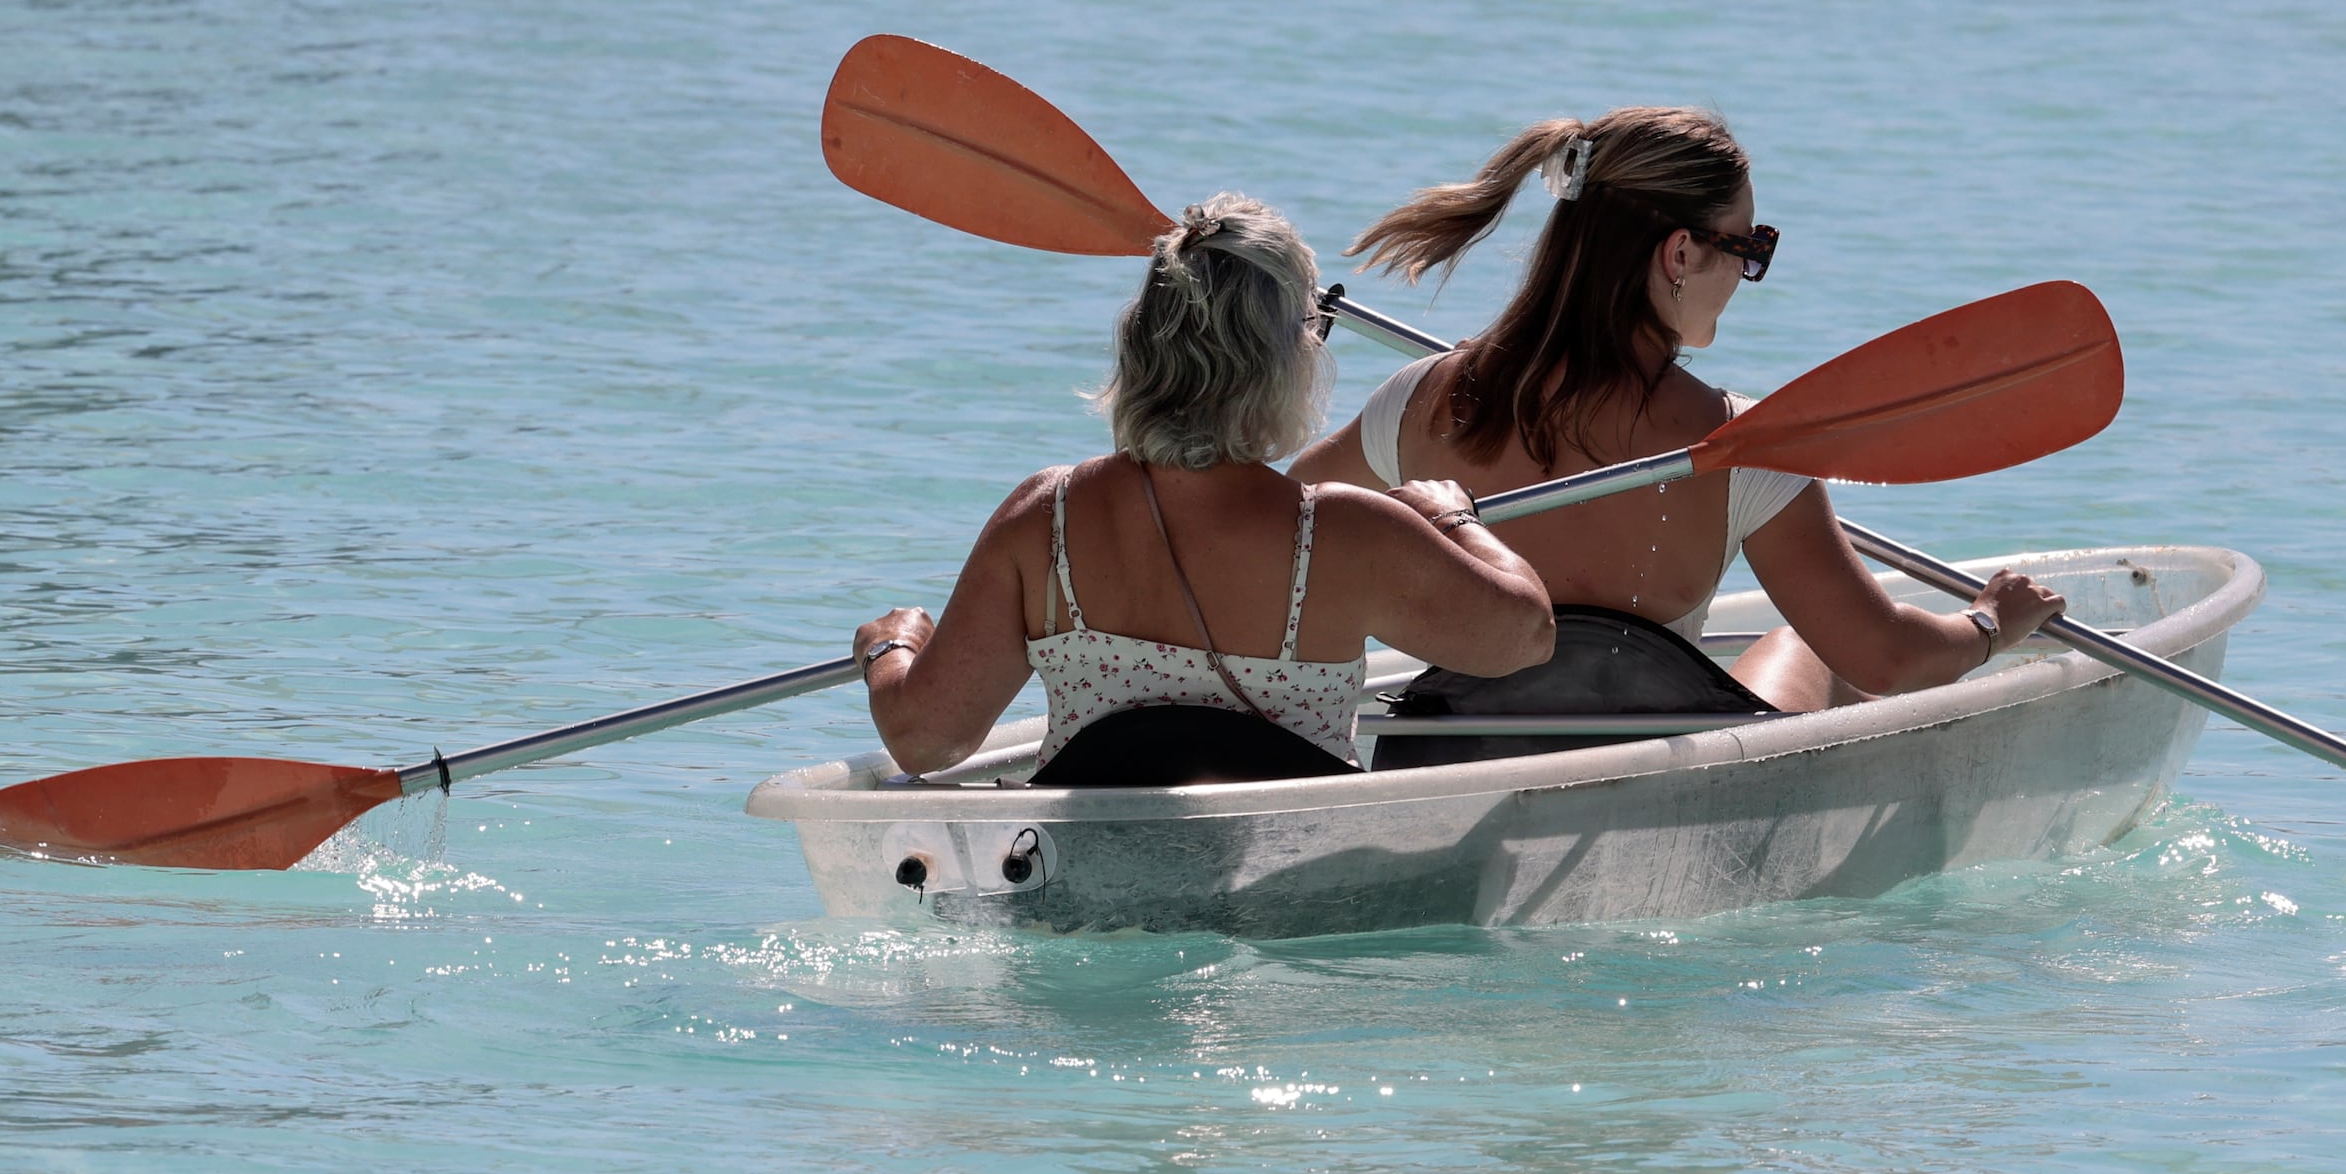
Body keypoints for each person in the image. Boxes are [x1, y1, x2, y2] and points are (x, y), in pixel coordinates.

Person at [1289, 110, 2067, 762]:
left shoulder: (1423, 401)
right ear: (1682, 252)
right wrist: (1990, 623)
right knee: (1806, 640)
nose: (1748, 273)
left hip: (1450, 766)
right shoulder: (1740, 443)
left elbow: (1284, 519)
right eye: (1749, 248)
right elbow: (1886, 657)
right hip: (1644, 786)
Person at [852, 194, 1555, 790]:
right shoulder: (1345, 532)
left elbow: (927, 740)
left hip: (1088, 889)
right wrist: (1454, 516)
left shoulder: (1045, 519)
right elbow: (1526, 636)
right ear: (1283, 360)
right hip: (1294, 893)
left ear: (1142, 344)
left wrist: (891, 651)